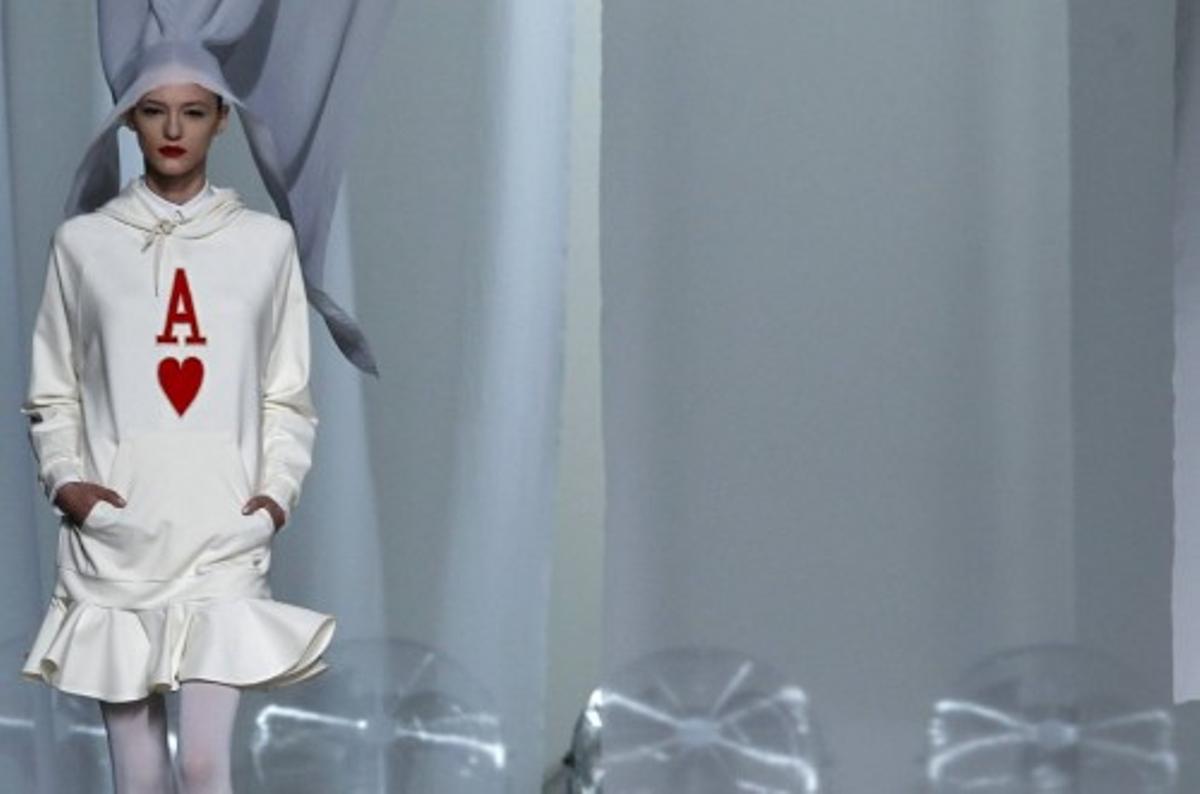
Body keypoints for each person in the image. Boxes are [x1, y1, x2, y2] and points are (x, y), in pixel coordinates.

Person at [19, 80, 335, 794]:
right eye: (154, 110)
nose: (173, 130)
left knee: (202, 765)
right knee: (138, 776)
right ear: (128, 119)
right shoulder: (83, 244)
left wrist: (274, 497)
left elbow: (286, 394)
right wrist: (68, 483)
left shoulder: (265, 244)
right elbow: (54, 388)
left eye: (193, 112)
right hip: (117, 535)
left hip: (222, 530)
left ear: (221, 121)